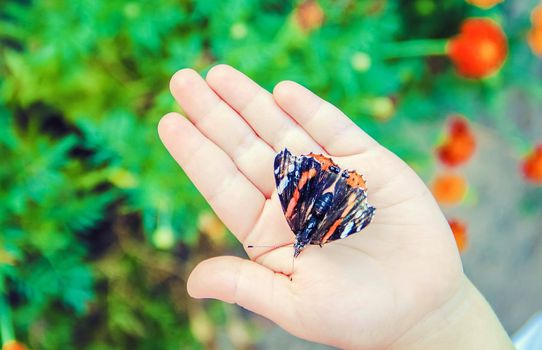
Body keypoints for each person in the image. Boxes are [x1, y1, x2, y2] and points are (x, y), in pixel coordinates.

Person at [157, 64, 515, 349]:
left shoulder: (303, 227)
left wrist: (431, 321)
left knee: (298, 204)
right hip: (332, 197)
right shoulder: (319, 233)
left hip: (325, 192)